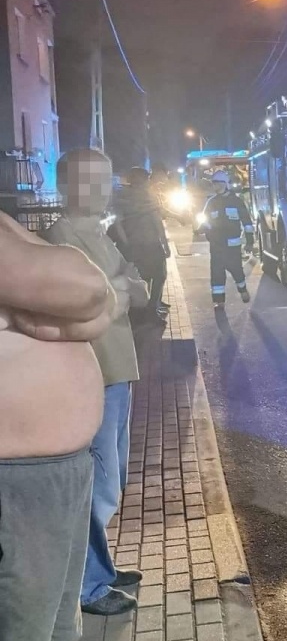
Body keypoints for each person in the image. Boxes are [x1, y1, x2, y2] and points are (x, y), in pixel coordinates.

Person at [0, 209, 115, 641]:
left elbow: (93, 304)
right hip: (13, 488)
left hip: (30, 482)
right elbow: (88, 292)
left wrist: (39, 313)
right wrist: (63, 309)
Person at [45, 149, 149, 617]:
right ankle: (88, 584)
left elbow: (133, 286)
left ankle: (100, 567)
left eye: (106, 178)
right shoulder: (62, 240)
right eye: (90, 179)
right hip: (93, 376)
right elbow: (94, 302)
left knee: (112, 478)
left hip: (116, 371)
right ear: (67, 185)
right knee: (97, 483)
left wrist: (119, 289)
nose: (102, 188)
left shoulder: (98, 235)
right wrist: (120, 289)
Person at [116, 167, 170, 318]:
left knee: (142, 276)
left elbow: (118, 222)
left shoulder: (122, 196)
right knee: (160, 275)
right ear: (143, 180)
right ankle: (152, 309)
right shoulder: (148, 196)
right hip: (151, 243)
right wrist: (165, 244)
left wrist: (125, 242)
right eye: (147, 178)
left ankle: (141, 309)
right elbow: (157, 222)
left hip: (132, 245)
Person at [199, 169, 254, 308]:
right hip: (217, 245)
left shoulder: (236, 202)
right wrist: (204, 231)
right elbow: (205, 221)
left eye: (217, 183)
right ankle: (219, 301)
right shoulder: (211, 202)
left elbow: (247, 223)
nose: (215, 186)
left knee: (236, 270)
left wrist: (250, 242)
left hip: (233, 246)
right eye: (213, 184)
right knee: (217, 273)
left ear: (225, 184)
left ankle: (242, 290)